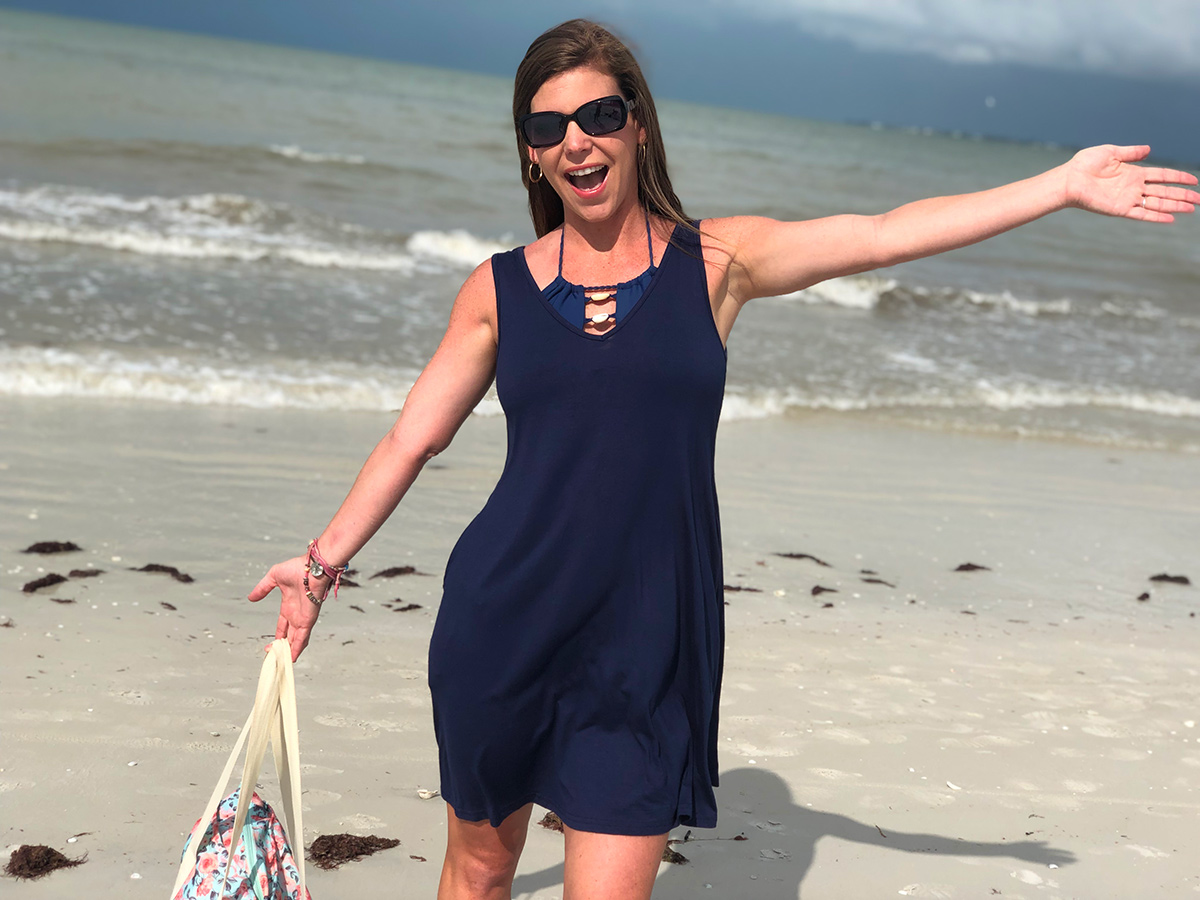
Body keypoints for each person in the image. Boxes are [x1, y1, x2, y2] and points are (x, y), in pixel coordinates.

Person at [248, 18, 1198, 900]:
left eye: (599, 114)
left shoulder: (718, 263)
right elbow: (412, 438)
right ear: (532, 154)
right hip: (504, 621)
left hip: (645, 643)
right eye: (550, 126)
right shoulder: (497, 290)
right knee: (480, 874)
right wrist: (321, 566)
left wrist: (1061, 185)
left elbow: (877, 235)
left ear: (639, 130)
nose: (577, 139)